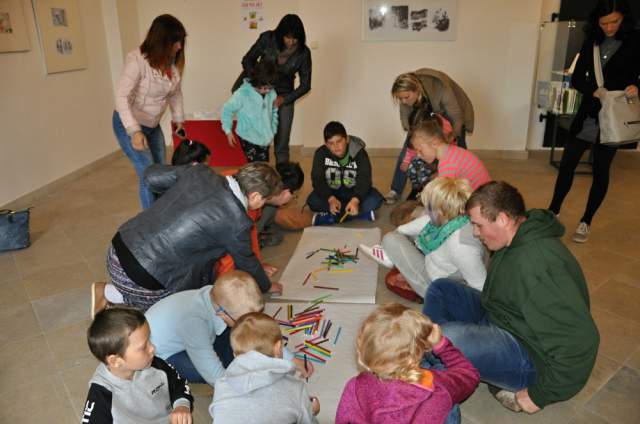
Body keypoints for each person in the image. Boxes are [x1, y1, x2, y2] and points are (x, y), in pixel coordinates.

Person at [423, 181, 600, 414]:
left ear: (503, 219)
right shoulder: (515, 235)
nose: (475, 233)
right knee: (441, 289)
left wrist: (540, 395)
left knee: (450, 337)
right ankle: (440, 362)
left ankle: (432, 374)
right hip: (504, 317)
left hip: (529, 353)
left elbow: (582, 341)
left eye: (478, 225)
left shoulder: (539, 267)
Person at [91, 162, 284, 314]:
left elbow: (150, 176)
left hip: (118, 247)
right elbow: (247, 264)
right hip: (141, 277)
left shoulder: (200, 172)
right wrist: (266, 286)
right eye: (265, 200)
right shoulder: (238, 222)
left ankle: (110, 292)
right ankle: (110, 293)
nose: (263, 204)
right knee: (190, 304)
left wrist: (186, 173)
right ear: (255, 196)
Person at [548, 0, 640, 243]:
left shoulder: (635, 41)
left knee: (601, 170)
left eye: (614, 22)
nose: (609, 27)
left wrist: (636, 86)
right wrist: (593, 91)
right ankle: (553, 212)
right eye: (603, 23)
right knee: (567, 164)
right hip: (588, 114)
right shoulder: (592, 41)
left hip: (615, 117)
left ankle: (586, 221)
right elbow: (577, 78)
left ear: (624, 19)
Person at [335, 303, 479, 424]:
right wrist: (441, 345)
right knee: (442, 372)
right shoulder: (437, 388)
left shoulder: (355, 386)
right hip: (431, 399)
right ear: (414, 356)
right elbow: (470, 375)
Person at [359, 178, 487, 299]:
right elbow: (420, 224)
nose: (425, 211)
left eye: (429, 208)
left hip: (436, 288)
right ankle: (391, 257)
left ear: (441, 211)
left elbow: (480, 288)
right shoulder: (450, 218)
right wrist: (397, 233)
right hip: (436, 267)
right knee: (399, 236)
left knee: (390, 241)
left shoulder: (462, 246)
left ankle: (394, 261)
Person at [113, 14, 188, 209]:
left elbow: (175, 93)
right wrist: (134, 131)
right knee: (148, 173)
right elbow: (121, 97)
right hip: (129, 124)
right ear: (161, 40)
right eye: (175, 41)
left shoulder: (171, 64)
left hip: (152, 126)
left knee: (160, 171)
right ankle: (151, 220)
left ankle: (161, 212)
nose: (179, 47)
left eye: (181, 41)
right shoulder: (137, 60)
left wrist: (178, 120)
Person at [145, 271, 264, 387]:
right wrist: (240, 388)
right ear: (222, 313)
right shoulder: (194, 322)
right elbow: (213, 374)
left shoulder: (216, 296)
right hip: (162, 353)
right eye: (240, 320)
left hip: (187, 333)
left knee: (232, 339)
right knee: (200, 372)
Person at [82, 307, 193, 424]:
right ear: (115, 361)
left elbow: (179, 383)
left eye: (149, 339)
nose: (152, 348)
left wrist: (181, 405)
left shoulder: (154, 364)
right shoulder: (101, 394)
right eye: (143, 347)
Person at [210, 312, 320, 424]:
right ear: (278, 348)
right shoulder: (296, 388)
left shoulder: (221, 384)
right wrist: (310, 410)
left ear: (235, 355)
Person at [385, 69, 474, 204]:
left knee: (457, 152)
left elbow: (456, 115)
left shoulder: (440, 87)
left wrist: (451, 137)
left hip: (451, 117)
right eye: (400, 98)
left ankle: (464, 190)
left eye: (406, 97)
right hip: (424, 117)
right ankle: (396, 190)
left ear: (417, 90)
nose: (403, 101)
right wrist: (415, 138)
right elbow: (406, 121)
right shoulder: (406, 98)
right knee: (409, 149)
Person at [234, 14, 312, 164]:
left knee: (283, 137)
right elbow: (248, 59)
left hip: (284, 93)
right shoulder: (267, 39)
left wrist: (284, 99)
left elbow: (305, 85)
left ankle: (283, 171)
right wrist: (256, 83)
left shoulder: (304, 53)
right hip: (260, 87)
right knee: (256, 134)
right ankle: (257, 170)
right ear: (280, 34)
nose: (290, 42)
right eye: (287, 38)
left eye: (295, 39)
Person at [307, 121, 384, 225]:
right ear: (326, 144)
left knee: (375, 199)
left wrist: (356, 200)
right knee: (312, 201)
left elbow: (365, 178)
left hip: (354, 193)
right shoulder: (320, 154)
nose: (336, 146)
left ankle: (331, 217)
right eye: (331, 143)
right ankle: (360, 215)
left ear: (347, 139)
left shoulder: (359, 153)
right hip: (332, 192)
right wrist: (330, 199)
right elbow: (317, 179)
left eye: (339, 141)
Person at [411, 115, 491, 190]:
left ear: (434, 143)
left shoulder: (447, 163)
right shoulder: (452, 151)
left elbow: (445, 196)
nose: (418, 155)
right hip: (485, 191)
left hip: (480, 197)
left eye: (420, 150)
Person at [222, 61, 279, 162]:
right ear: (257, 81)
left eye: (270, 88)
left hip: (265, 137)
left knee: (263, 164)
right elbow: (227, 110)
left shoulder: (271, 94)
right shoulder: (243, 93)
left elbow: (274, 111)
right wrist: (228, 131)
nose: (267, 91)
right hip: (247, 136)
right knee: (255, 165)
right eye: (265, 88)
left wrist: (273, 129)